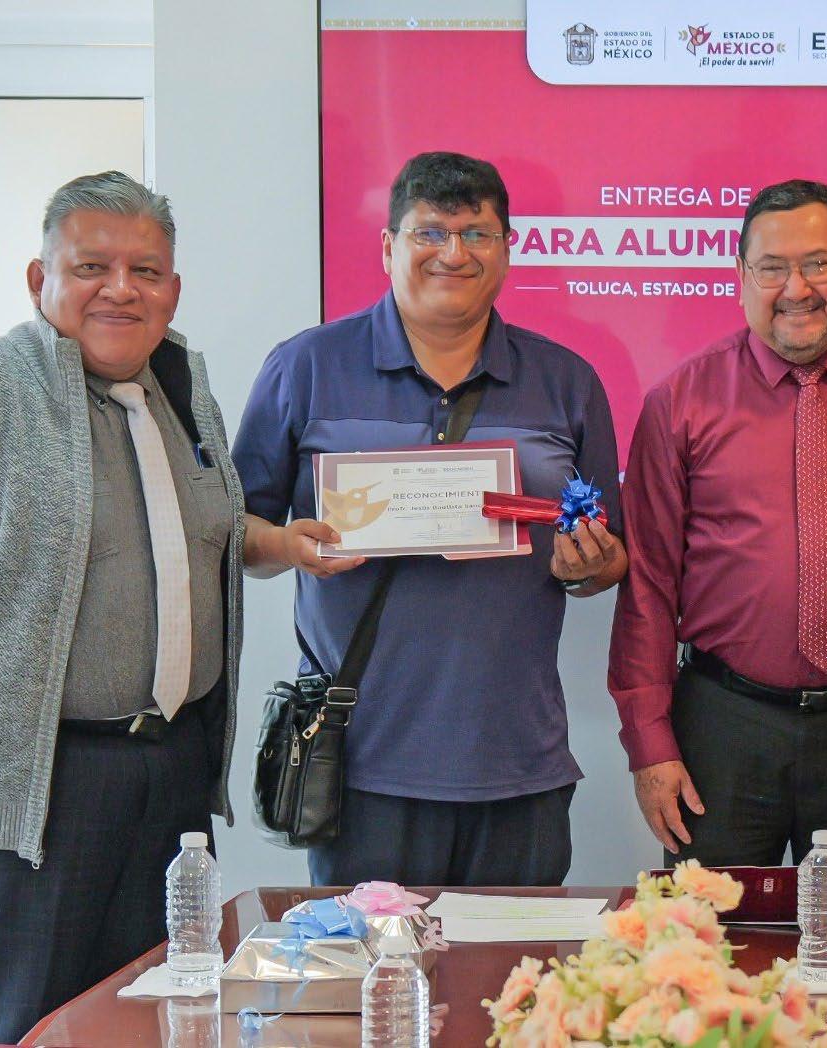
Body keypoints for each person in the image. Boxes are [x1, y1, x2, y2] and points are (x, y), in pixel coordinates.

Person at [0, 171, 245, 1048]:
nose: (121, 289)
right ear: (38, 278)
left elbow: (193, 538)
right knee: (6, 1029)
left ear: (173, 290)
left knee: (151, 1022)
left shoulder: (182, 391)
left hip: (170, 776)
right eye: (91, 266)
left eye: (145, 271)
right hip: (29, 791)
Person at [234, 151, 625, 888]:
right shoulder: (305, 367)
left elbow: (610, 555)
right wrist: (287, 543)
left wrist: (590, 567)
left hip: (518, 764)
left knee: (515, 965)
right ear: (388, 247)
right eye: (430, 233)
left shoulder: (566, 380)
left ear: (507, 249)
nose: (454, 253)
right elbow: (236, 538)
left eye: (477, 234)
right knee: (369, 964)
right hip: (361, 766)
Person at [609, 179, 827, 866]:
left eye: (818, 263)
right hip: (722, 727)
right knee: (711, 932)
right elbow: (648, 584)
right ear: (740, 276)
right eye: (772, 268)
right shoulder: (681, 401)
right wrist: (650, 744)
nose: (797, 288)